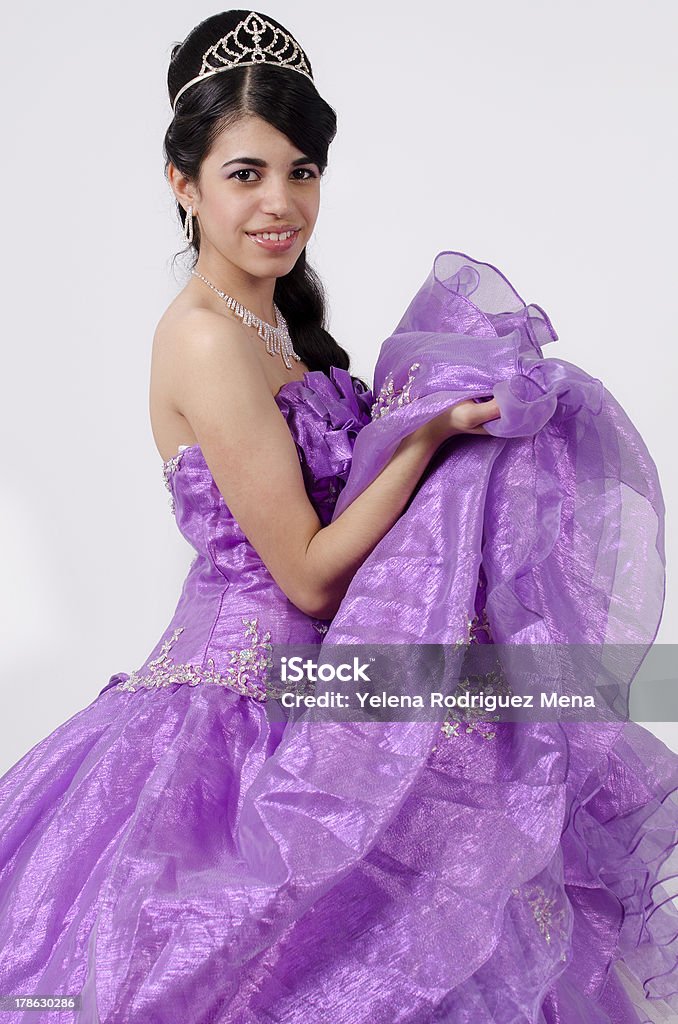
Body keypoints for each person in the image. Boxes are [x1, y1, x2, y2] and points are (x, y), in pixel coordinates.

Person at [0, 9, 675, 1024]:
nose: (280, 203)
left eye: (302, 170)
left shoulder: (275, 320)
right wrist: (426, 435)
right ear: (181, 183)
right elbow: (310, 574)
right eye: (245, 173)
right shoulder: (201, 338)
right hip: (239, 719)